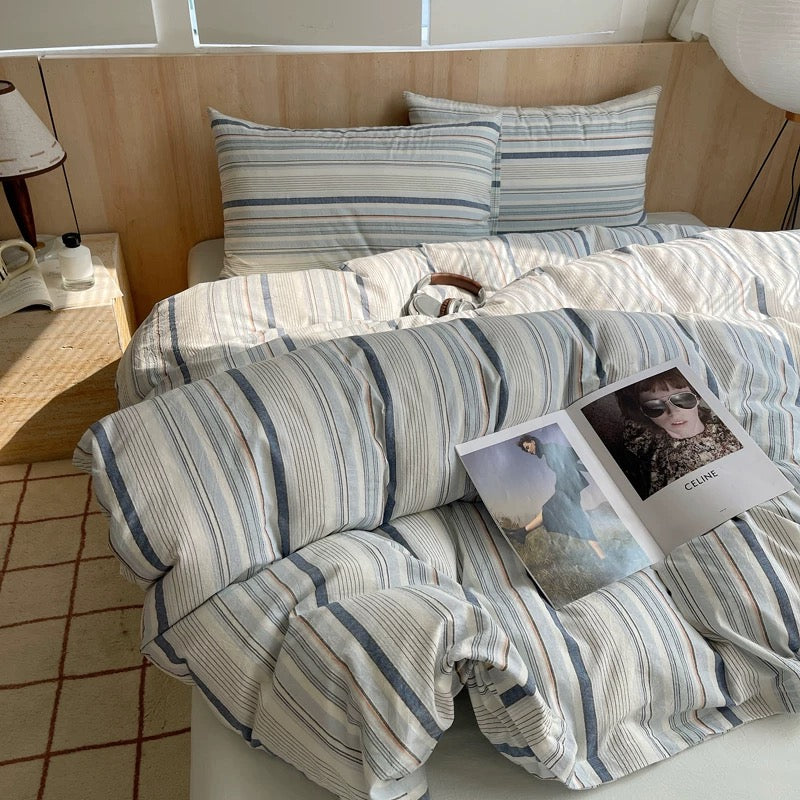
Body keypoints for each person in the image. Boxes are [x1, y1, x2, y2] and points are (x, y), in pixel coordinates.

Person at [616, 367, 741, 497]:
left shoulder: (731, 427)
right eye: (655, 407)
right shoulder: (642, 439)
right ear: (643, 411)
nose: (673, 413)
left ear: (697, 397)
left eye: (682, 399)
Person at [515, 434, 605, 559]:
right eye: (526, 450)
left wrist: (592, 467)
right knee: (577, 518)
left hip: (567, 488)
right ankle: (602, 555)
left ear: (533, 442)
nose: (529, 451)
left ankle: (522, 532)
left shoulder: (550, 448)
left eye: (527, 447)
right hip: (568, 487)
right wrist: (590, 468)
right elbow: (570, 464)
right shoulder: (548, 451)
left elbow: (572, 456)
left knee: (549, 509)